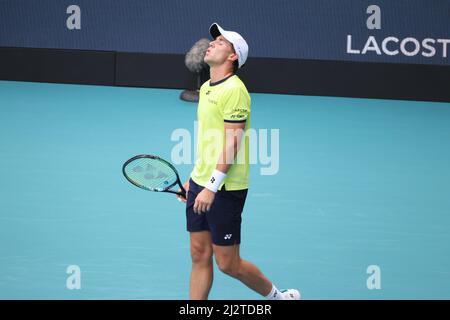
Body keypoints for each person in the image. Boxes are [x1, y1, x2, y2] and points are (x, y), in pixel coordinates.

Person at [177, 22, 300, 300]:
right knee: (198, 254)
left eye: (221, 42)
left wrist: (211, 186)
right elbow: (210, 140)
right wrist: (194, 179)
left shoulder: (235, 90)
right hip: (202, 180)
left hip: (225, 187)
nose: (212, 43)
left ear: (233, 57)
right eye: (214, 40)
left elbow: (232, 142)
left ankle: (279, 298)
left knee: (227, 264)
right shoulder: (208, 86)